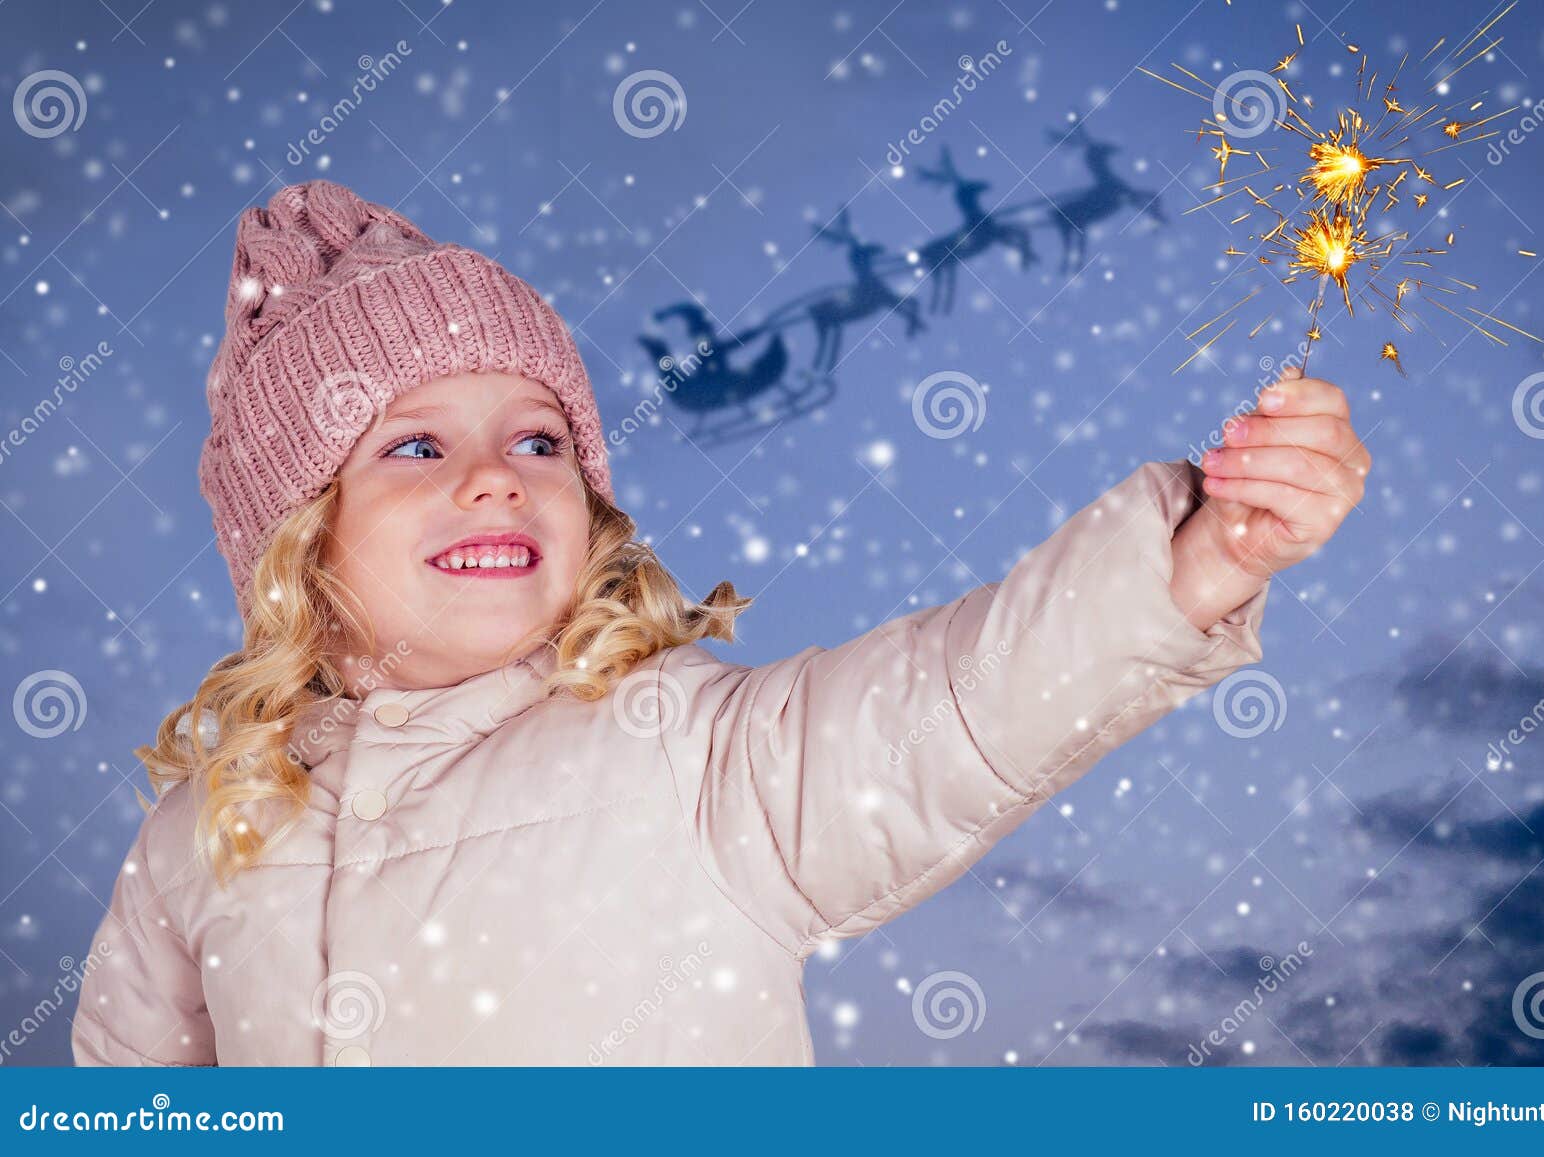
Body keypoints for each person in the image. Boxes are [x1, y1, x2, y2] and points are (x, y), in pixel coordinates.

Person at [70, 180, 1366, 1066]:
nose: (498, 475)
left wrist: (1187, 562)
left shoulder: (679, 752)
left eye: (539, 438)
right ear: (298, 534)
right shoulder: (201, 842)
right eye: (417, 442)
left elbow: (953, 708)